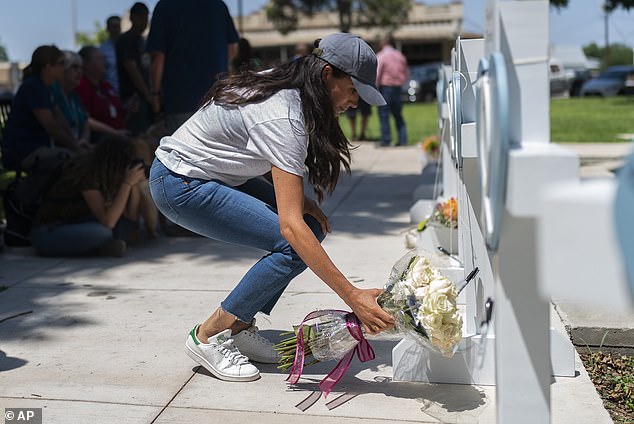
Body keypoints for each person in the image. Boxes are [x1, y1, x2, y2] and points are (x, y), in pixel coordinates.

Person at [149, 32, 392, 382]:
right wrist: (352, 295)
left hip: (210, 173)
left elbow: (248, 144)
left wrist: (300, 199)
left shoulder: (291, 88)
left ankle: (240, 325)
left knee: (310, 227)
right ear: (327, 74)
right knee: (294, 241)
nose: (356, 102)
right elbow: (290, 228)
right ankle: (208, 335)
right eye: (354, 90)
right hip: (180, 182)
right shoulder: (285, 115)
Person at [30, 135, 146, 257]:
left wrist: (134, 186)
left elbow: (130, 219)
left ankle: (102, 246)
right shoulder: (87, 174)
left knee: (121, 222)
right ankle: (102, 247)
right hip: (49, 232)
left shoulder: (106, 176)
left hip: (78, 223)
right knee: (103, 232)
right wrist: (127, 184)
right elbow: (108, 222)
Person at [146, 0, 239, 135]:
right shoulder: (218, 5)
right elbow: (231, 50)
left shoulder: (164, 6)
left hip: (180, 100)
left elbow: (157, 57)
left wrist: (155, 95)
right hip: (217, 99)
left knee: (182, 151)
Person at [1, 45, 88, 172]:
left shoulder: (46, 88)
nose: (64, 68)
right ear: (48, 67)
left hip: (37, 148)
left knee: (83, 156)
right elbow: (52, 127)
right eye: (61, 64)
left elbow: (60, 120)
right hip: (24, 152)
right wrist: (76, 148)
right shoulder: (34, 87)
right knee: (78, 161)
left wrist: (76, 143)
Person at [77, 46, 129, 142]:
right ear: (86, 64)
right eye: (99, 59)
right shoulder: (82, 87)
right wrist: (114, 133)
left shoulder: (106, 86)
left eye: (103, 58)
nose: (104, 62)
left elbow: (119, 113)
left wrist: (129, 108)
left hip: (121, 136)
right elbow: (85, 119)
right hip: (102, 142)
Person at [116, 2, 152, 134]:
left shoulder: (142, 40)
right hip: (133, 99)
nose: (144, 22)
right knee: (137, 137)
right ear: (132, 18)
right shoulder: (127, 39)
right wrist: (148, 94)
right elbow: (131, 68)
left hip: (145, 97)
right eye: (141, 17)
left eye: (146, 17)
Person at [49, 51, 91, 149]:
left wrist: (84, 140)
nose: (80, 72)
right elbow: (55, 126)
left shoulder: (74, 95)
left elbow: (85, 123)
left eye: (81, 68)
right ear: (62, 69)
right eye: (75, 67)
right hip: (60, 149)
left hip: (78, 146)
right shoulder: (52, 91)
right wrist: (75, 146)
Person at [376, 34, 409, 147]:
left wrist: (375, 87)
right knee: (398, 115)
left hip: (385, 87)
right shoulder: (400, 55)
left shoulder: (381, 56)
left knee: (384, 114)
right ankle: (403, 139)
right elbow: (406, 72)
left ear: (384, 43)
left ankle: (386, 140)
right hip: (398, 88)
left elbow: (377, 73)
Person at [100, 15, 121, 96]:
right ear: (108, 29)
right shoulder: (102, 49)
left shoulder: (127, 46)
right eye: (113, 27)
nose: (116, 30)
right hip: (111, 93)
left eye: (118, 27)